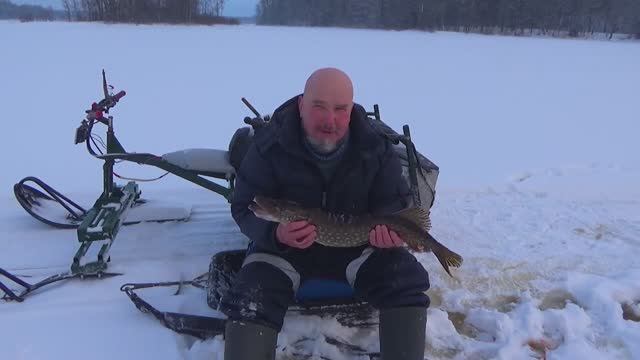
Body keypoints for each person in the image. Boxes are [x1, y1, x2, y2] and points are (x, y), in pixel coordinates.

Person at [220, 68, 430, 360]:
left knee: (407, 278)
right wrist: (275, 233)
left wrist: (390, 236)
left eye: (340, 110)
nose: (330, 120)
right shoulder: (270, 145)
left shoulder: (375, 148)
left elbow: (393, 205)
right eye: (319, 107)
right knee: (248, 295)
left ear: (351, 110)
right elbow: (243, 206)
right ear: (301, 106)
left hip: (358, 250)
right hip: (283, 253)